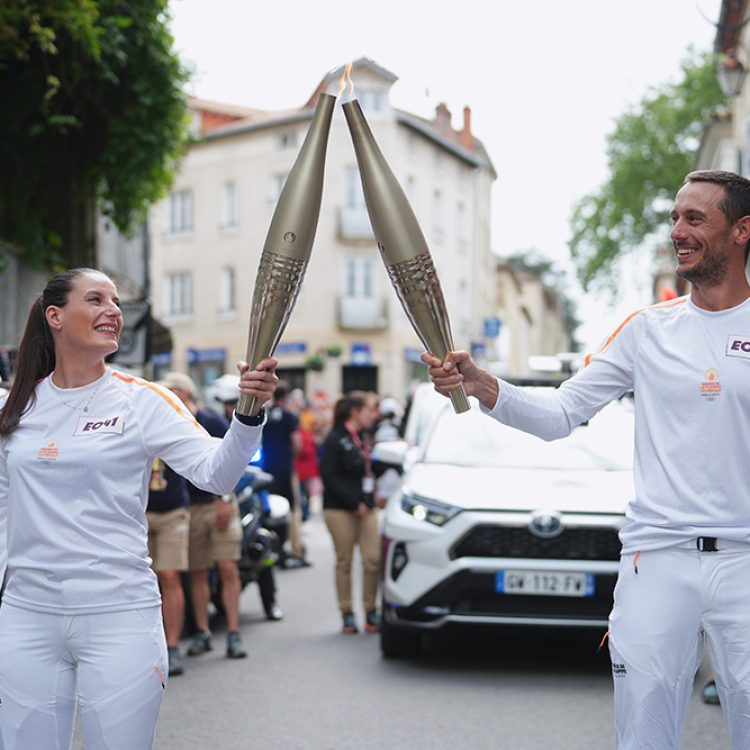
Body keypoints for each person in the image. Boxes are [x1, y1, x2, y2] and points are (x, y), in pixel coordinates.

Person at [423, 170, 750, 749]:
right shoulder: (647, 330)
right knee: (643, 739)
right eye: (674, 217)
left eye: (695, 218)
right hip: (659, 556)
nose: (678, 231)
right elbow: (561, 413)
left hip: (746, 559)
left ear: (742, 230)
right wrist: (481, 383)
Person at [0, 268, 276, 750]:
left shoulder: (142, 401)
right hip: (26, 615)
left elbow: (218, 474)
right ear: (55, 316)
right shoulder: (17, 407)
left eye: (116, 302)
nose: (113, 311)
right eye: (96, 299)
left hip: (118, 613)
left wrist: (248, 413)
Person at [159, 371, 250, 658]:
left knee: (227, 567)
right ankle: (203, 630)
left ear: (183, 394)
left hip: (218, 502)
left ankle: (234, 633)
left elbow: (229, 460)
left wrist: (224, 499)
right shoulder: (167, 425)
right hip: (192, 507)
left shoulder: (211, 420)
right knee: (198, 572)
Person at [320, 391, 382, 634]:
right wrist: (354, 502)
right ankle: (346, 612)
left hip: (367, 507)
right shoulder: (335, 438)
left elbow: (368, 470)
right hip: (340, 509)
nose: (374, 415)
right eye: (370, 410)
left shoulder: (365, 437)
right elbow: (329, 476)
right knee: (344, 561)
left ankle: (370, 609)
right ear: (355, 411)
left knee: (372, 560)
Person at [146, 458, 191, 677]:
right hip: (136, 511)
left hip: (172, 510)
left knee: (170, 576)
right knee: (139, 582)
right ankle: (144, 647)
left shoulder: (174, 422)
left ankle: (172, 646)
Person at [262, 382, 309, 567]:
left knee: (271, 509)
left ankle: (274, 548)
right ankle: (296, 549)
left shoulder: (265, 414)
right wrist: (291, 457)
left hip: (267, 468)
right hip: (285, 469)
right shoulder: (290, 416)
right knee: (293, 509)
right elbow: (297, 443)